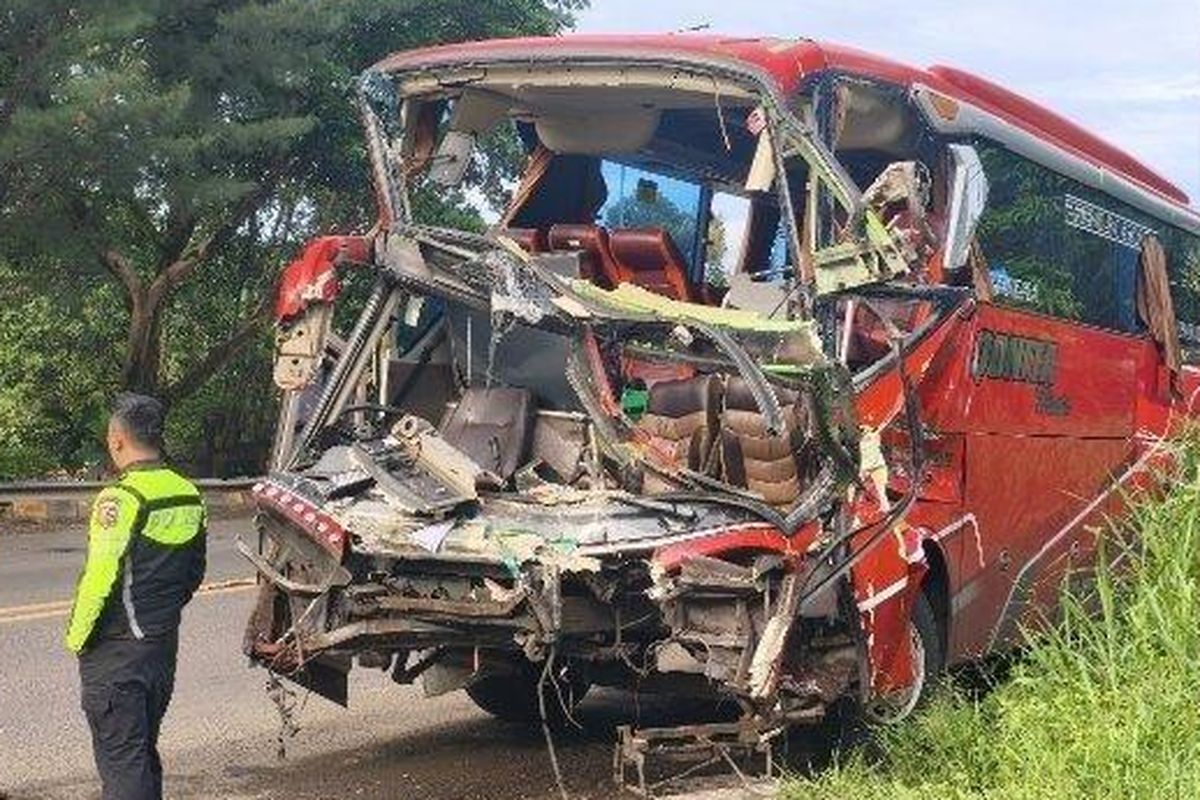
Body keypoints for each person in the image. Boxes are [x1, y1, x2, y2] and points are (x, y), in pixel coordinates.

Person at [65, 393, 207, 800]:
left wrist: (77, 641)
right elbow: (194, 573)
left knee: (124, 763)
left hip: (117, 656)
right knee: (140, 753)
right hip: (160, 649)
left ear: (117, 440)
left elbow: (98, 580)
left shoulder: (120, 499)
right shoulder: (187, 493)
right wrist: (158, 619)